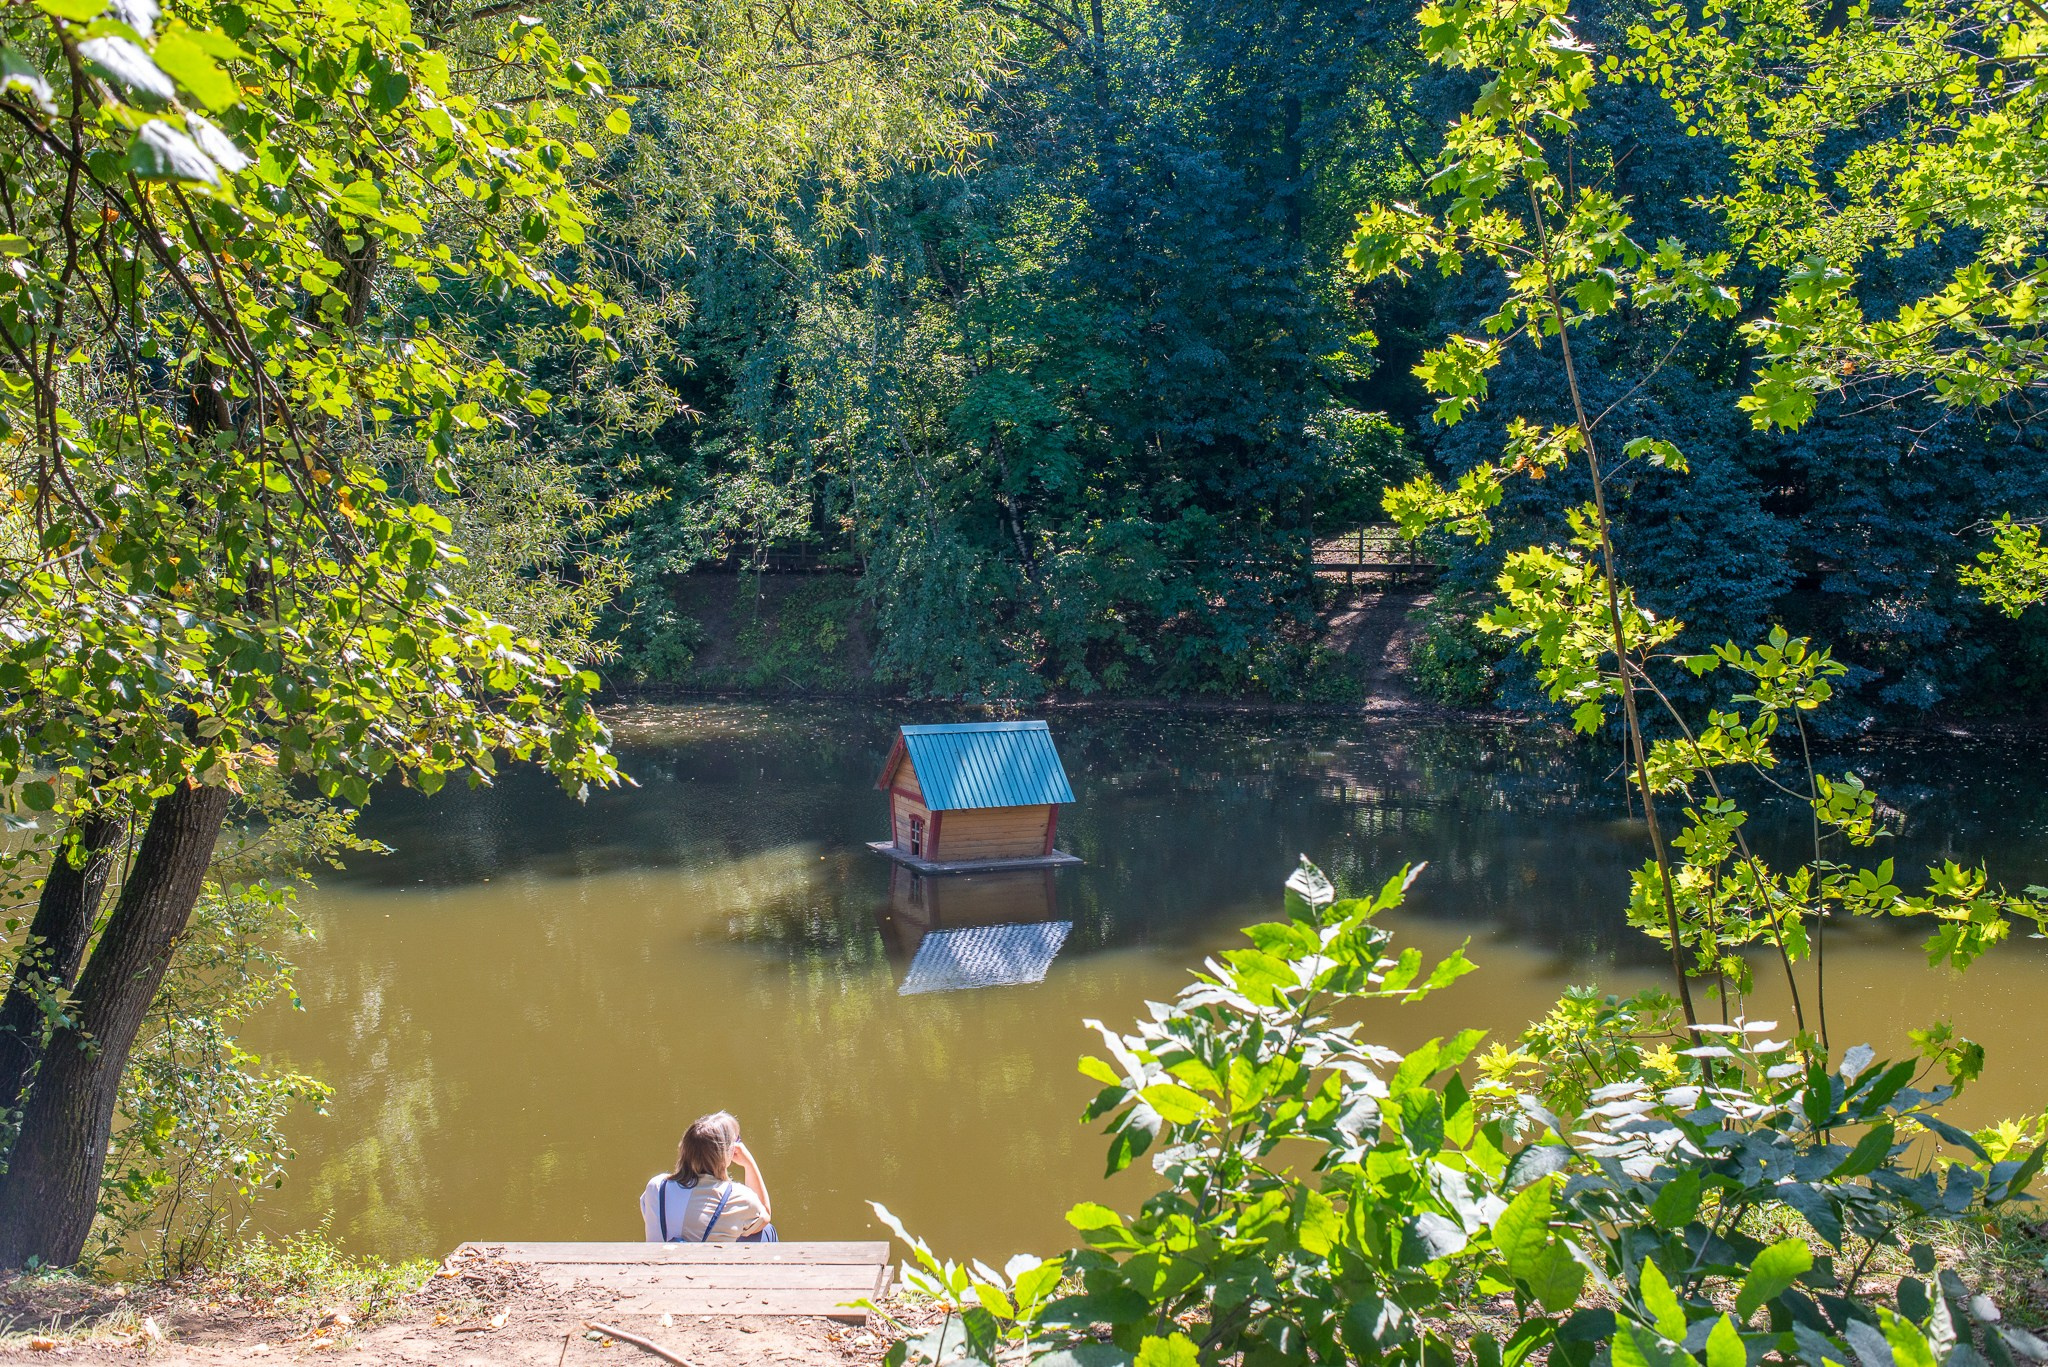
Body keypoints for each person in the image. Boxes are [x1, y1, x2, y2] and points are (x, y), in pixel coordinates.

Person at [640, 1111, 777, 1243]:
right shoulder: (737, 1197)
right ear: (726, 1153)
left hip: (659, 1265)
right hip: (707, 1267)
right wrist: (749, 1164)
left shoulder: (657, 1186)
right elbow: (765, 1216)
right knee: (766, 1231)